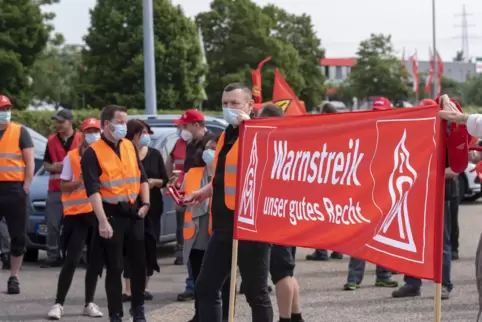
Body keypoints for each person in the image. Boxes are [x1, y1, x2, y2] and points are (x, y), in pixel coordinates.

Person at [185, 83, 273, 322]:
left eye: (234, 103)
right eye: (225, 103)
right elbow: (223, 176)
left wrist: (248, 128)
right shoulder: (225, 135)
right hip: (224, 225)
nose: (229, 108)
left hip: (250, 226)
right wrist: (204, 191)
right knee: (205, 287)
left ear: (249, 105)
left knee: (256, 292)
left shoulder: (260, 133)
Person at [81, 105, 150, 322]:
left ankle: (138, 309)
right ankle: (116, 314)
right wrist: (102, 221)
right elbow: (92, 190)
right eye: (120, 122)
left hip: (133, 213)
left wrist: (146, 203)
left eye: (125, 121)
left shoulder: (129, 145)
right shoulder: (92, 153)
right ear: (105, 124)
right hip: (110, 215)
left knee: (139, 265)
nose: (124, 126)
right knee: (115, 268)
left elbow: (142, 177)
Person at [392, 97, 457, 300]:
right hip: (415, 196)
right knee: (411, 241)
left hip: (440, 196)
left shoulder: (447, 137)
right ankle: (412, 283)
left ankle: (445, 285)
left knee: (441, 243)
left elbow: (455, 170)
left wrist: (428, 174)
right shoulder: (413, 137)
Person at [47, 117, 103, 320]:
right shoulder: (72, 157)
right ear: (83, 133)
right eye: (89, 131)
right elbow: (62, 186)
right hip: (77, 216)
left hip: (98, 216)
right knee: (71, 260)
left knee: (95, 262)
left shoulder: (106, 156)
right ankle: (58, 303)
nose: (93, 135)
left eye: (96, 130)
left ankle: (89, 302)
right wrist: (78, 183)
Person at [258, 104, 305, 322]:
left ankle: (285, 318)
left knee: (281, 273)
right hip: (287, 215)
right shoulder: (289, 142)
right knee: (286, 270)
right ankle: (295, 316)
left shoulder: (276, 145)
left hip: (278, 217)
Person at [122, 119, 169, 302]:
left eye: (148, 133)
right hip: (131, 207)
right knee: (130, 247)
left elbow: (164, 180)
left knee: (149, 245)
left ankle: (143, 287)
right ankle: (128, 289)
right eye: (143, 133)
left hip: (153, 208)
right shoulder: (126, 154)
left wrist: (153, 183)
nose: (147, 137)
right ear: (133, 135)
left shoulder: (155, 154)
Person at [173, 110, 216, 302]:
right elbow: (188, 172)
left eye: (185, 126)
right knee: (193, 251)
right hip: (192, 202)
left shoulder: (212, 143)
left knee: (208, 256)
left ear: (196, 125)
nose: (182, 130)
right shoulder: (189, 145)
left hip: (207, 206)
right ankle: (193, 288)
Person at [0, 95, 35, 294]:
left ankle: (14, 277)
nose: (5, 112)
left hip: (14, 189)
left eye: (7, 108)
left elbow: (29, 161)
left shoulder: (20, 131)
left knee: (18, 236)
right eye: (1, 108)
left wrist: (26, 186)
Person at [43, 109, 82, 267]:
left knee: (78, 225)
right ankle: (53, 257)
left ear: (70, 122)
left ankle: (79, 256)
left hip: (77, 190)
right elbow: (46, 165)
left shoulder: (81, 138)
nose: (58, 125)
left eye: (61, 122)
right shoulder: (51, 140)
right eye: (57, 122)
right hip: (56, 189)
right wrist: (54, 167)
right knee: (52, 225)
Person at [306, 102, 343, 261]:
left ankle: (321, 251)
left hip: (323, 179)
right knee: (334, 218)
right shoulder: (342, 130)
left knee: (320, 217)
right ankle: (337, 249)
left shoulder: (322, 130)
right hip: (338, 180)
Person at [165, 123, 188, 266]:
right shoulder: (178, 143)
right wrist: (170, 180)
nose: (179, 130)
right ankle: (181, 252)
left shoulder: (204, 143)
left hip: (197, 190)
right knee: (181, 224)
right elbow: (170, 160)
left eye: (182, 127)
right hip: (180, 190)